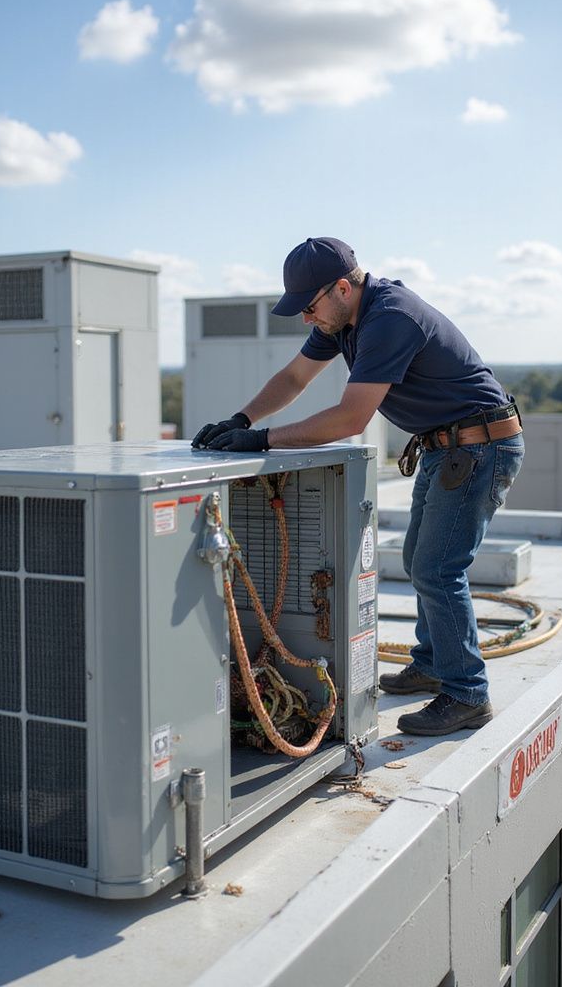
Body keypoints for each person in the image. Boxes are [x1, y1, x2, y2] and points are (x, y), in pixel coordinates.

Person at [192, 237, 524, 735]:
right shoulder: (344, 317)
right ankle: (434, 664)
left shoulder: (390, 318)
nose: (307, 319)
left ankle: (467, 692)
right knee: (419, 561)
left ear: (342, 288)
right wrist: (240, 418)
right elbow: (294, 378)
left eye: (309, 307)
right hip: (448, 448)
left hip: (478, 448)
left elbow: (350, 416)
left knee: (438, 568)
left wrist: (260, 439)